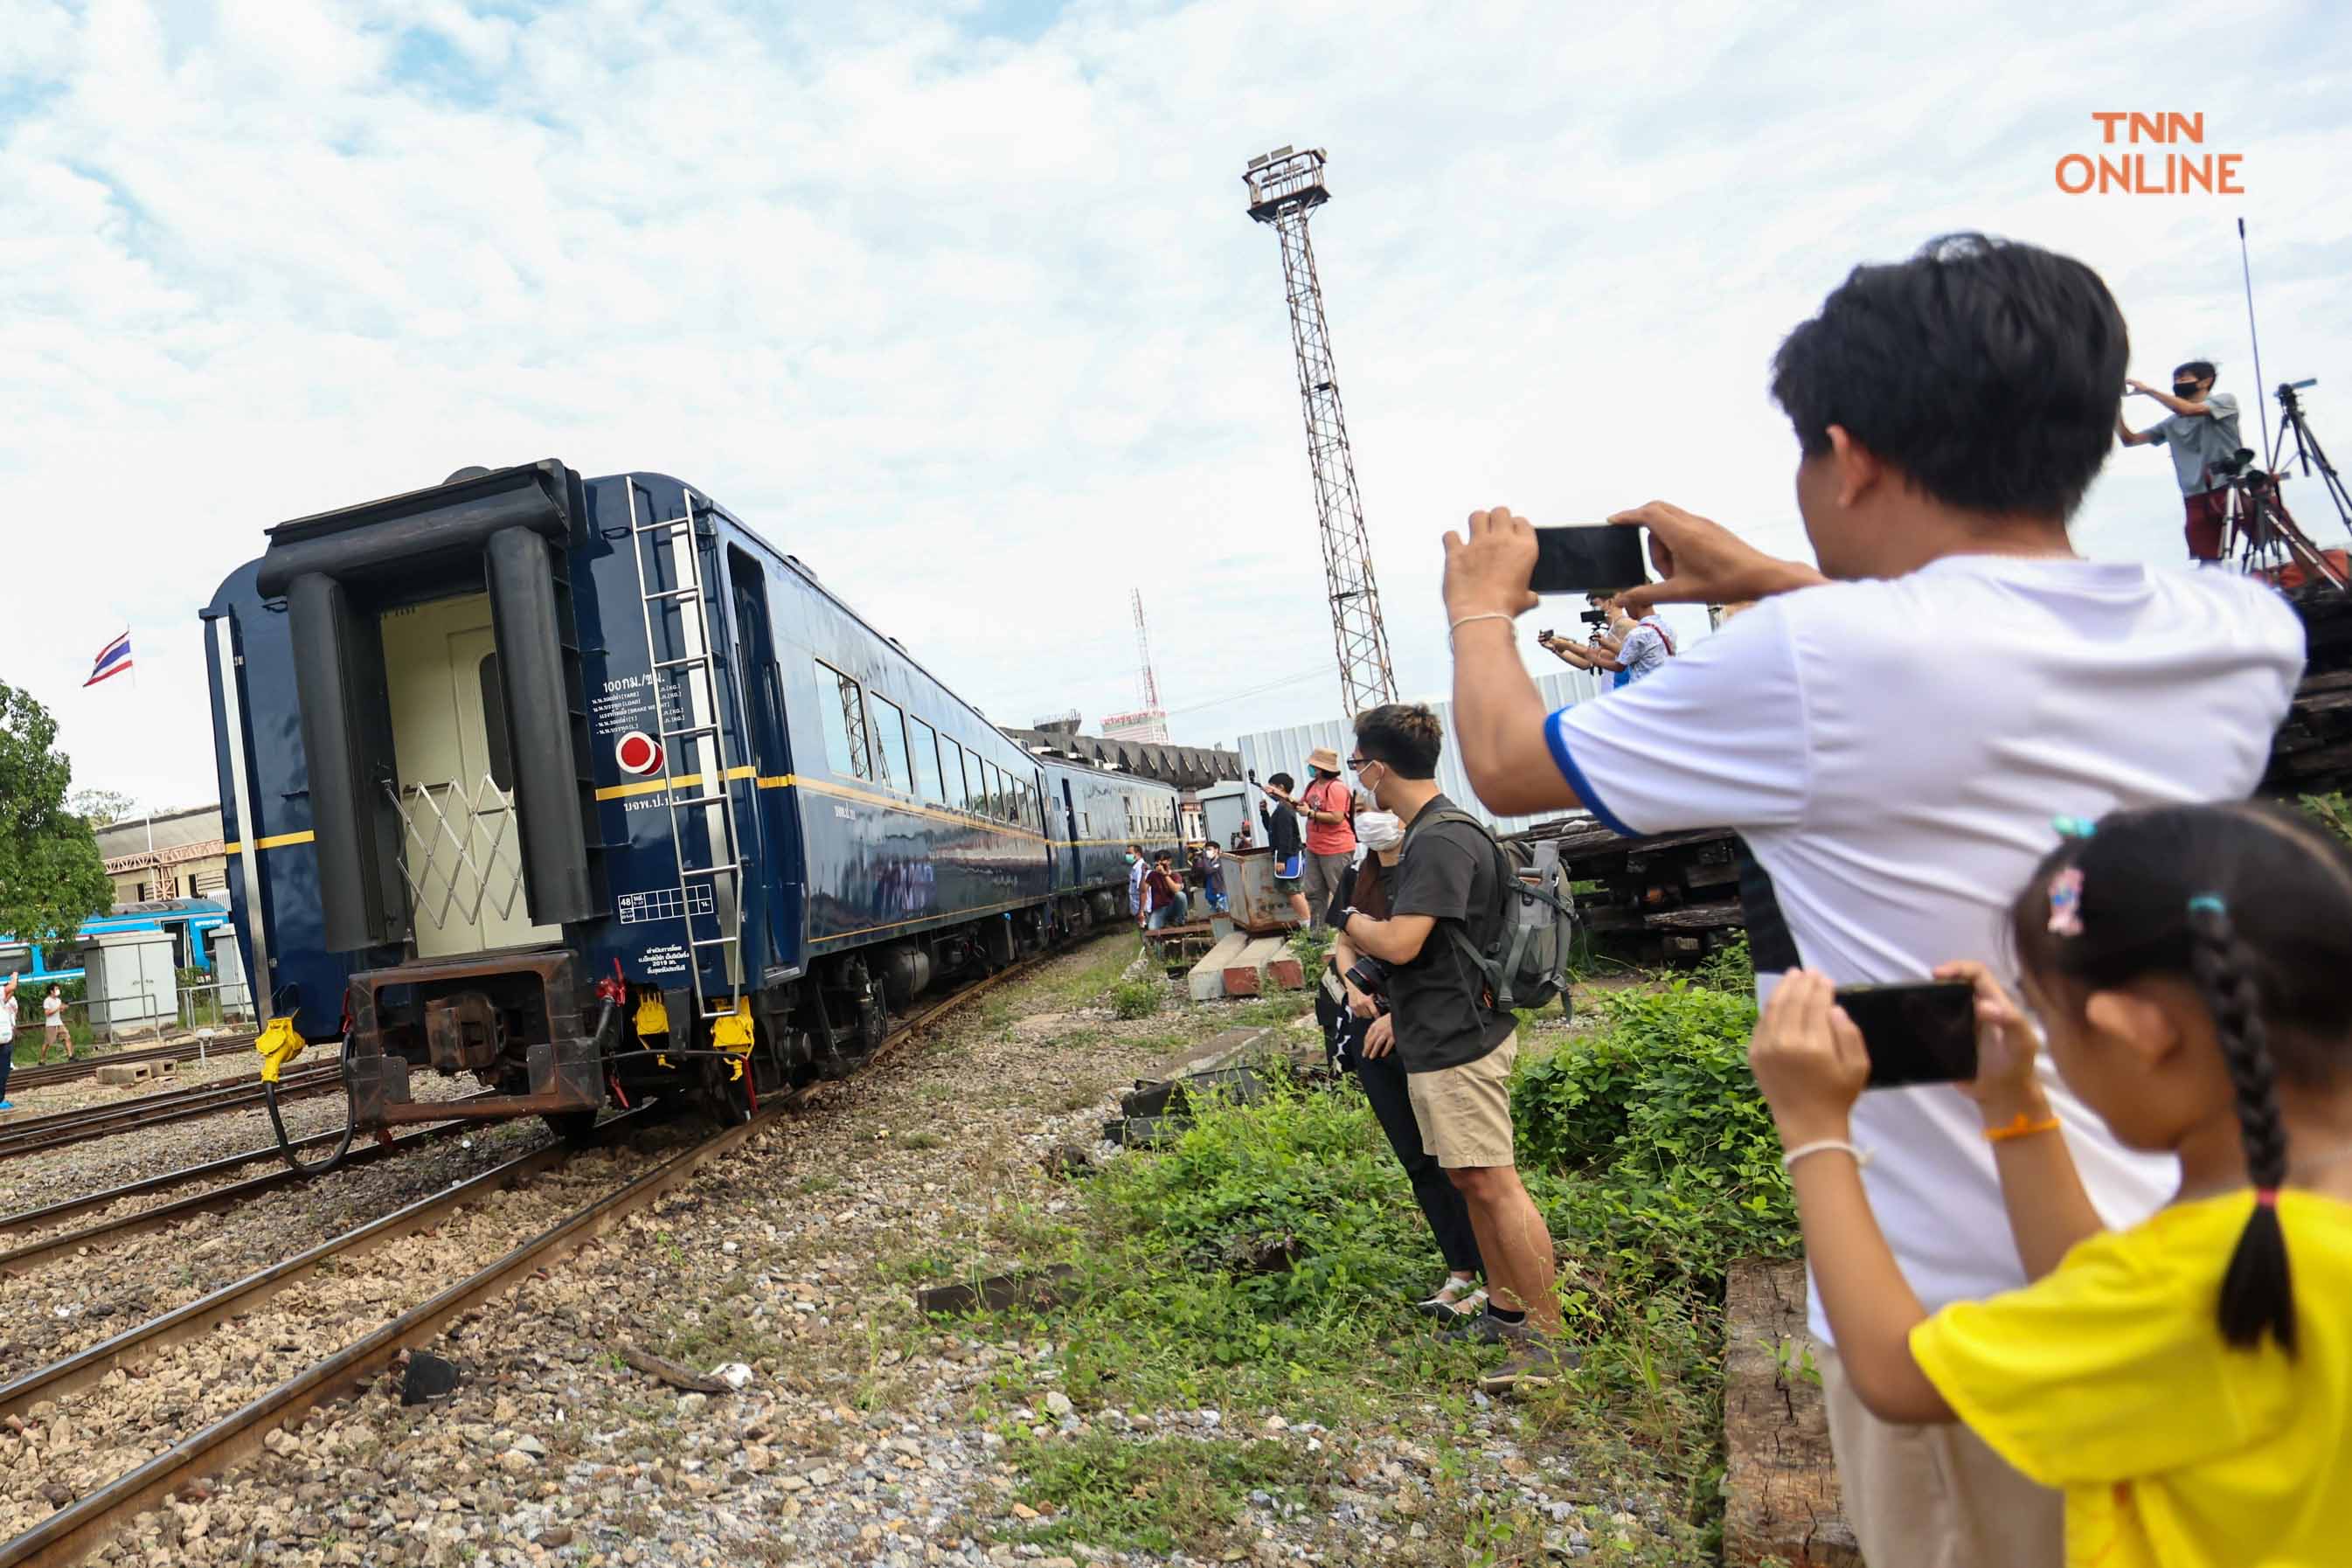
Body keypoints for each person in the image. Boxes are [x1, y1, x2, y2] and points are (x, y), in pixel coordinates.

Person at [1440, 233, 2304, 1565]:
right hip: (2210, 1270)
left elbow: (1504, 764)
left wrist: (1480, 610)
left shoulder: (1817, 656)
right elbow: (1968, 638)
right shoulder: (2237, 635)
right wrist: (1778, 581)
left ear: (1846, 457)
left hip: (1956, 1315)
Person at [1750, 803, 2352, 1568]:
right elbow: (2094, 1284)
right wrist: (2015, 1108)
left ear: (2139, 1033)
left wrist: (1814, 1129)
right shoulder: (2261, 1243)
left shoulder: (2189, 1280)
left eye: (2049, 1016)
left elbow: (1899, 1377)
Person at [1331, 703, 1569, 1391]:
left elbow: (1401, 942)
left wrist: (1344, 916)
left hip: (1458, 1032)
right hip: (1447, 1028)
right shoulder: (1446, 829)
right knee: (1470, 1178)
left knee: (1492, 1183)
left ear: (1377, 766)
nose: (1359, 778)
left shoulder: (1437, 838)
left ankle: (1547, 1344)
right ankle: (1504, 1309)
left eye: (1357, 764)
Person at [1320, 809, 1487, 1319]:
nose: (1375, 817)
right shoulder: (1358, 874)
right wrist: (1353, 986)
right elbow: (1343, 943)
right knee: (1419, 1160)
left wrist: (1402, 1014)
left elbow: (1450, 956)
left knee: (1467, 1164)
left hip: (1428, 1030)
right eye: (1365, 807)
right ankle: (1460, 1271)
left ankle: (1496, 1278)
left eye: (1382, 805)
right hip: (1370, 1033)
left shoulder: (1429, 864)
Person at [2115, 359, 2244, 564]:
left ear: (2205, 382)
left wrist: (2149, 390)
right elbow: (2130, 440)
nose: (2178, 382)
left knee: (2283, 534)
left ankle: (2310, 577)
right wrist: (2114, 407)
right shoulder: (2171, 424)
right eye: (2175, 379)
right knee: (2208, 559)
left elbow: (2189, 410)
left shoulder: (2225, 401)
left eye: (2184, 378)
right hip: (2197, 497)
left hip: (2236, 485)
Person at [1269, 749, 1357, 919]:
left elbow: (1337, 817)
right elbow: (1300, 804)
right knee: (1314, 893)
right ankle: (1318, 936)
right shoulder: (1312, 786)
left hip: (1335, 848)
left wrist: (1311, 814)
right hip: (1314, 847)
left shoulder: (1336, 788)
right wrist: (1280, 794)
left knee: (1341, 892)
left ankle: (1354, 933)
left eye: (1312, 765)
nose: (1309, 768)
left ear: (1320, 768)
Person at [1538, 594, 1674, 686]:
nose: (1593, 609)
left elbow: (1603, 657)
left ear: (1610, 602)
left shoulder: (1626, 624)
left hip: (1627, 687)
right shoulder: (1608, 632)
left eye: (1595, 604)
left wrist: (1567, 645)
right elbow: (1586, 663)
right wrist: (1555, 648)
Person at [1256, 774, 1313, 925]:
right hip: (1291, 855)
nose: (1268, 791)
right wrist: (1264, 813)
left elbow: (1285, 837)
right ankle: (1310, 924)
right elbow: (1273, 830)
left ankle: (1308, 926)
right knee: (1296, 890)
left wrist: (1281, 859)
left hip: (1289, 856)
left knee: (1292, 891)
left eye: (1270, 787)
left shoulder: (1284, 809)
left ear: (1280, 788)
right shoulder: (1283, 808)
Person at [1142, 853, 1190, 930]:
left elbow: (1176, 889)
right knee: (1152, 928)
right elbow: (1143, 890)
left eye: (1162, 861)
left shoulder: (1175, 875)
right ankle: (1166, 922)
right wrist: (1143, 874)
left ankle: (1180, 920)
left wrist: (1165, 874)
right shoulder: (1153, 875)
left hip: (1173, 906)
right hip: (1160, 909)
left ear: (1169, 861)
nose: (1159, 864)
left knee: (1181, 895)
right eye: (1157, 861)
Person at [1191, 841, 1229, 915]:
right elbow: (1196, 872)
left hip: (1220, 895)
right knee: (1215, 919)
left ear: (1216, 850)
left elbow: (1209, 870)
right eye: (1206, 850)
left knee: (1225, 916)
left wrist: (1204, 857)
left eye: (1209, 849)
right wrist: (1195, 860)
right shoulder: (1208, 862)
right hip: (1210, 895)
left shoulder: (1221, 861)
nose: (1207, 852)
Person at [0, 976, 17, 1112]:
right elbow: (11, 987)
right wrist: (15, 976)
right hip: (3, 1042)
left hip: (4, 1042)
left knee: (3, 1072)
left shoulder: (1, 1000)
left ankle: (0, 1099)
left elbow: (8, 994)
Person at [39, 987, 66, 1064]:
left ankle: (71, 1056)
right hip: (51, 1024)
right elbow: (47, 1013)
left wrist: (63, 1008)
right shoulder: (47, 1001)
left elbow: (60, 1011)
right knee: (47, 1043)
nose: (58, 991)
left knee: (67, 1038)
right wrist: (58, 1008)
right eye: (56, 989)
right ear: (51, 991)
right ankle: (42, 1059)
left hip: (59, 1023)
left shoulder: (59, 1000)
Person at [1124, 843, 1148, 928]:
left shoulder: (1140, 869)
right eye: (1126, 854)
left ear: (1138, 854)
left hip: (1143, 911)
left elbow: (1143, 891)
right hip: (1139, 909)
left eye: (1129, 853)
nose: (1127, 856)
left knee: (1147, 934)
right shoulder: (1135, 868)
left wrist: (1141, 911)